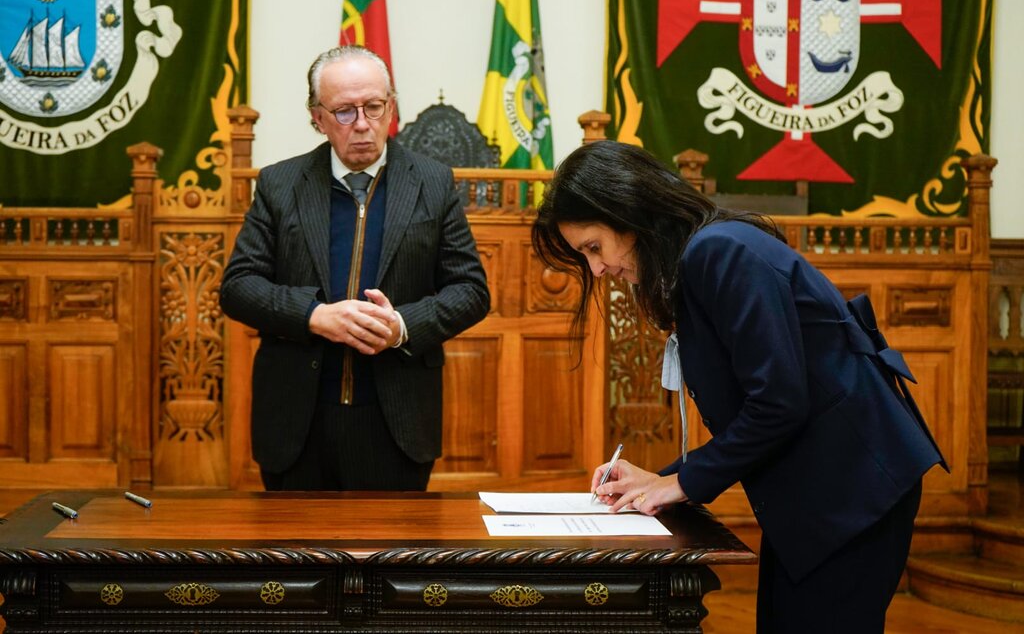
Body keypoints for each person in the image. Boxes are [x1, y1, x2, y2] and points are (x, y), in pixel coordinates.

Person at [531, 140, 947, 633]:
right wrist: (659, 480)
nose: (597, 270)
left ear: (629, 213)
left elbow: (778, 404)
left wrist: (680, 483)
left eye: (594, 248)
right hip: (818, 497)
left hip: (853, 492)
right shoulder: (701, 256)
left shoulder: (718, 252)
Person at [221, 45, 489, 492]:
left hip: (396, 420)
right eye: (345, 111)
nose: (362, 124)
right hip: (297, 421)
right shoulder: (279, 184)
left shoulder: (433, 182)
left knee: (394, 538)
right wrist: (314, 315)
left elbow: (471, 290)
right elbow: (238, 286)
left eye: (374, 107)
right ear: (317, 118)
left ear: (391, 108)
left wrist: (401, 326)